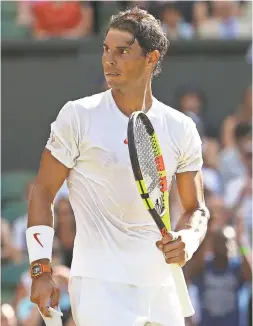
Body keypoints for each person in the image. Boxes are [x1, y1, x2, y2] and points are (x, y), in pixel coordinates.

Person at [26, 7, 209, 326]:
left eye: (123, 51)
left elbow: (196, 209)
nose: (109, 59)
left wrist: (187, 241)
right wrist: (41, 269)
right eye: (106, 49)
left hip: (161, 287)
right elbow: (42, 191)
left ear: (151, 58)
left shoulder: (181, 127)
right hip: (100, 287)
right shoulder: (77, 116)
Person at [185, 221, 252, 326]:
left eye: (229, 241)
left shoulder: (238, 267)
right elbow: (190, 273)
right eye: (222, 241)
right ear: (214, 244)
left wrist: (241, 244)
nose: (226, 245)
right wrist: (206, 236)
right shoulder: (203, 267)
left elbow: (250, 275)